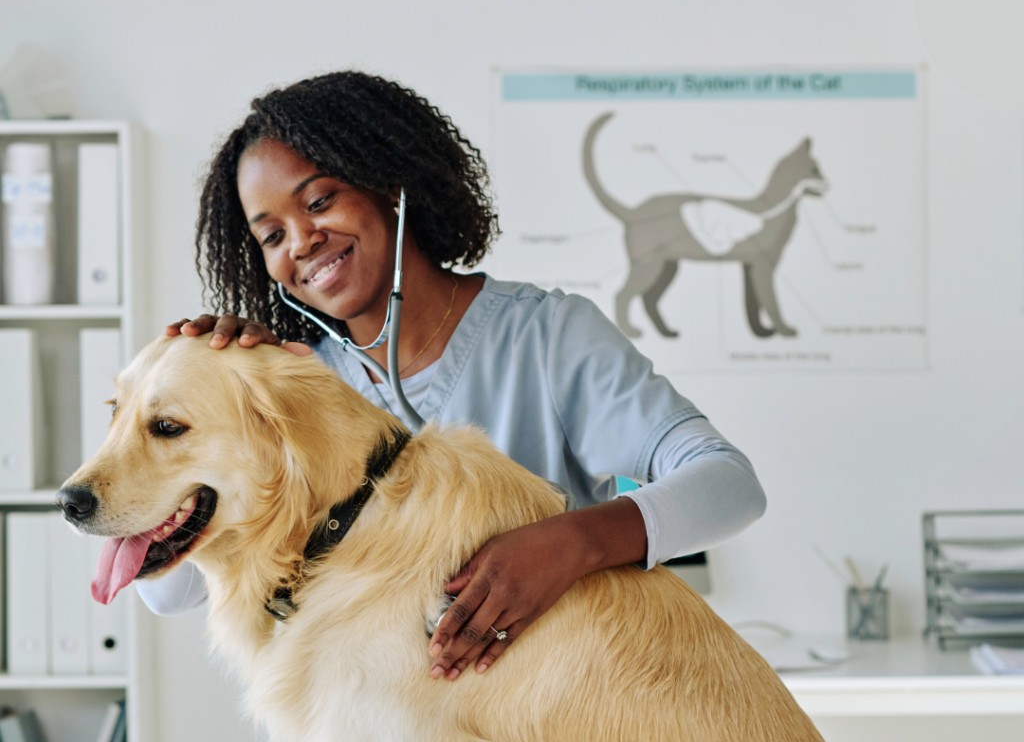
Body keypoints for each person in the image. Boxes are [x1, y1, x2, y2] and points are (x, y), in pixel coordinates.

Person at [139, 70, 767, 684]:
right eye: (272, 234)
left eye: (320, 200)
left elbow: (730, 485)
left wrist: (573, 543)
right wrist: (191, 400)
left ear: (389, 183)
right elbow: (168, 596)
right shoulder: (288, 394)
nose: (301, 241)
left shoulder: (545, 337)